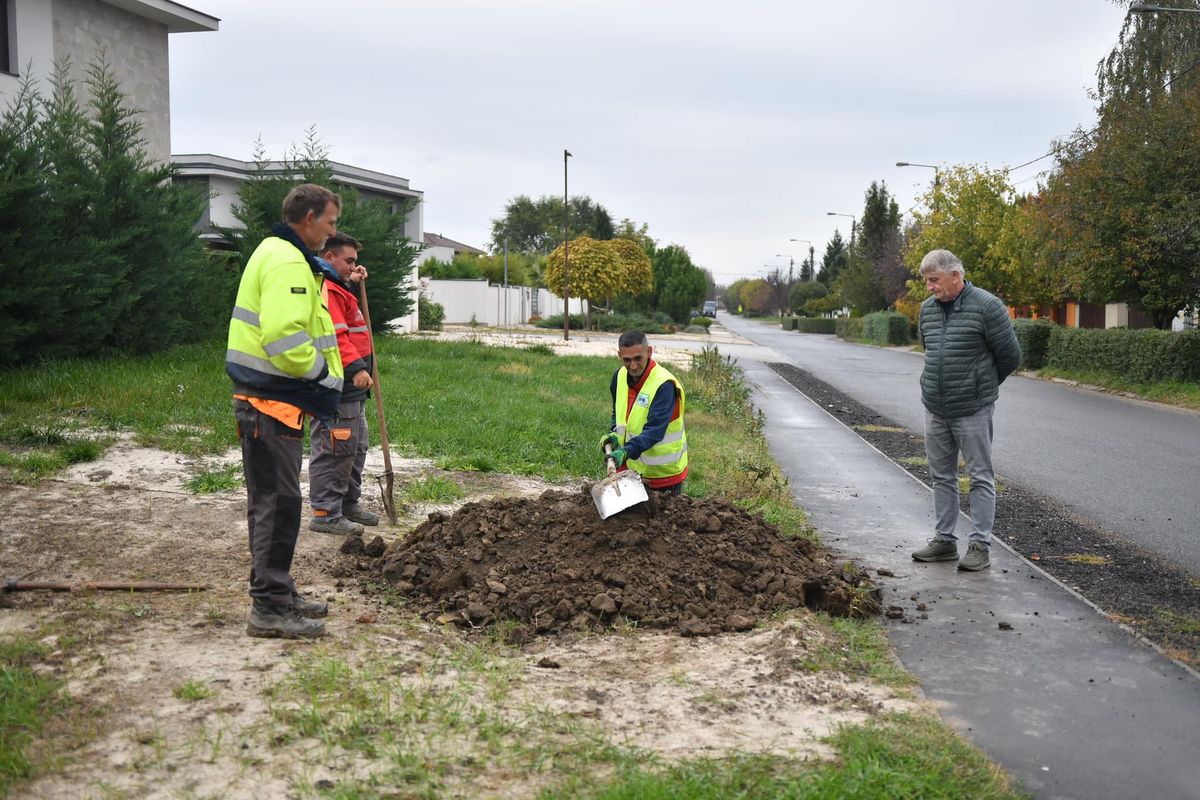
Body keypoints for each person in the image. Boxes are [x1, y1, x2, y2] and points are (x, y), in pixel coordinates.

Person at [226, 183, 343, 638]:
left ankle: (278, 592)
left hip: (273, 403)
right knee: (277, 507)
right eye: (330, 222)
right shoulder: (287, 260)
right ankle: (270, 608)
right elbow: (284, 338)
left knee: (280, 504)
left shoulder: (278, 253)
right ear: (309, 217)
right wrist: (322, 376)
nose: (333, 232)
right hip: (268, 401)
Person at [911, 249, 1021, 572]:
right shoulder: (927, 311)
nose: (930, 287)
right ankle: (945, 541)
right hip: (935, 407)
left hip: (972, 409)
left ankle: (979, 546)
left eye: (934, 280)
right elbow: (928, 349)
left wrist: (981, 387)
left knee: (980, 477)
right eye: (927, 282)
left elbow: (1010, 356)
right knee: (941, 475)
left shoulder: (987, 307)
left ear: (955, 276)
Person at [308, 233, 379, 535]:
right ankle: (326, 513)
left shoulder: (340, 286)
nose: (354, 266)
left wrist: (353, 279)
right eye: (348, 261)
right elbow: (336, 336)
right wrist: (355, 369)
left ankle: (347, 503)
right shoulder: (327, 291)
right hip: (337, 385)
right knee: (335, 449)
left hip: (352, 390)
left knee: (355, 447)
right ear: (328, 258)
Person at [600, 330, 688, 495]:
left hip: (663, 475)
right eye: (627, 360)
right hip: (632, 470)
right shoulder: (618, 377)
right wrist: (614, 433)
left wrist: (625, 452)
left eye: (638, 358)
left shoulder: (664, 385)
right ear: (619, 355)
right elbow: (619, 414)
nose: (632, 366)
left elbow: (655, 431)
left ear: (649, 352)